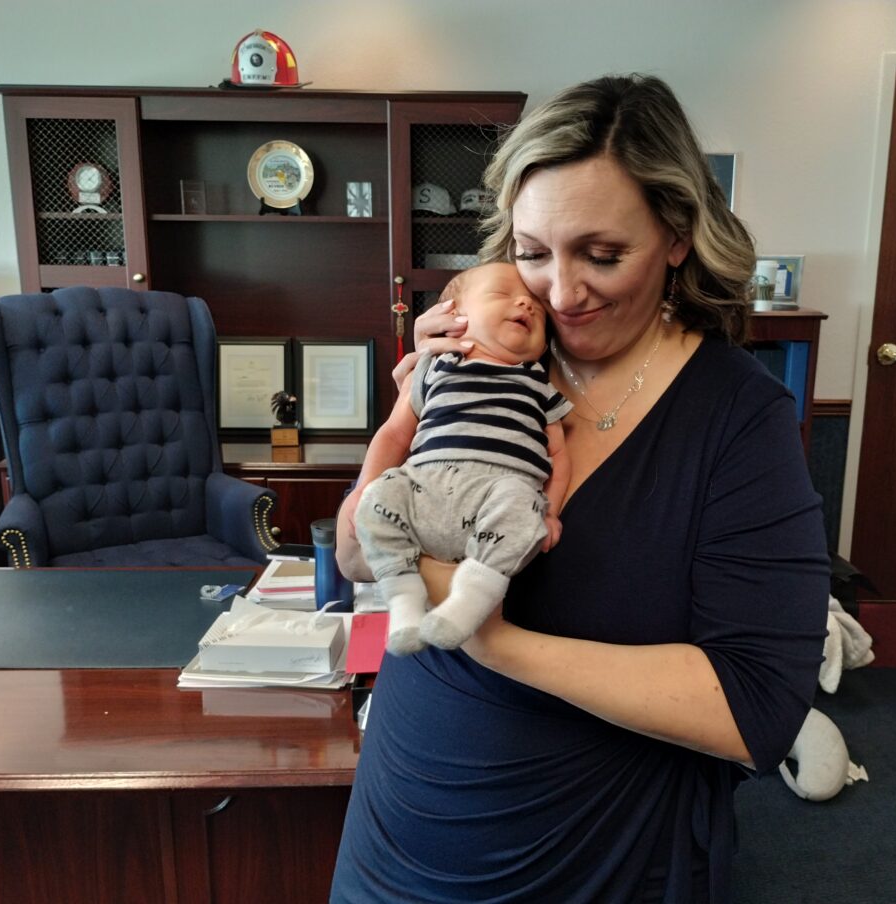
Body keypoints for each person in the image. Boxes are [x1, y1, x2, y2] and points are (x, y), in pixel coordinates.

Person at [331, 73, 829, 903]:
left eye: (602, 255)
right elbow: (353, 551)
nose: (560, 294)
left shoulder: (739, 419)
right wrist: (413, 408)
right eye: (532, 253)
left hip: (597, 858)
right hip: (401, 836)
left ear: (676, 236)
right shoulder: (483, 356)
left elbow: (756, 710)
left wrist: (493, 639)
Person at [352, 262, 572, 655]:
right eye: (501, 294)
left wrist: (550, 511)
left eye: (537, 309)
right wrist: (365, 489)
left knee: (522, 508)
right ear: (453, 317)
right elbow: (395, 433)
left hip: (498, 494)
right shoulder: (434, 367)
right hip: (425, 490)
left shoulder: (538, 383)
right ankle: (404, 604)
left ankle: (469, 600)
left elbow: (558, 454)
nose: (526, 303)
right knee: (377, 499)